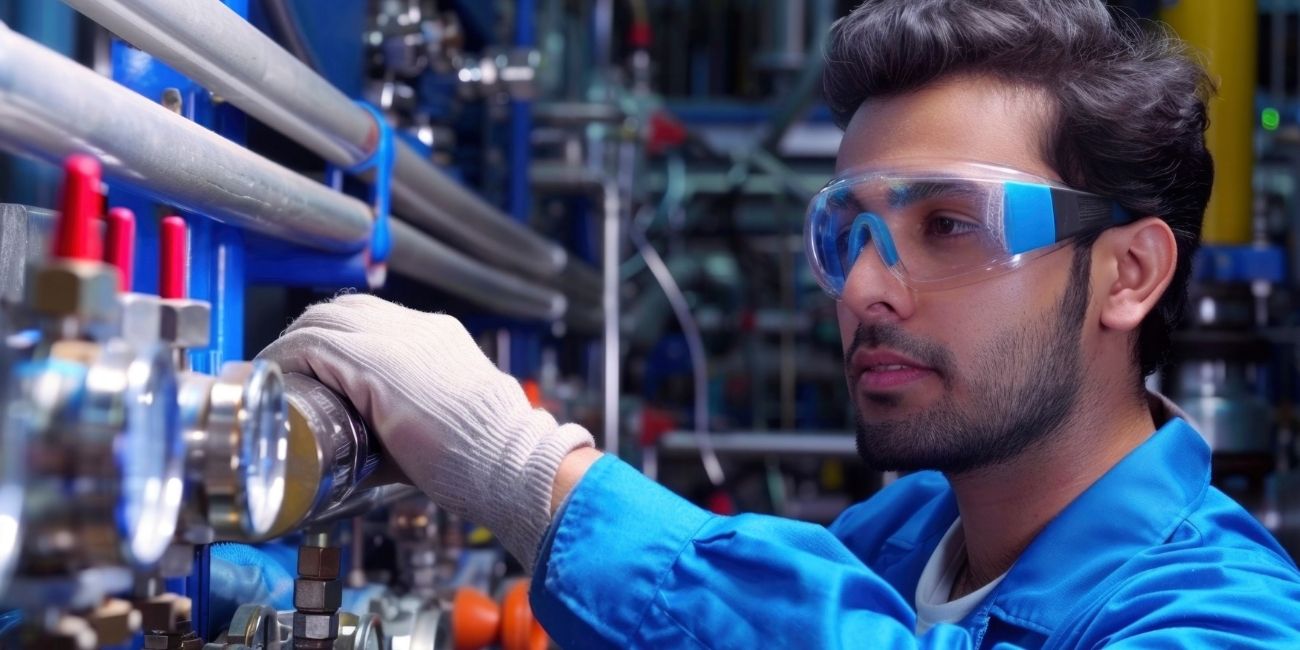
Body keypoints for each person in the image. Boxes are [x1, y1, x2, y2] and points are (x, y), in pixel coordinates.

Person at [259, 0, 1300, 646]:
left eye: (948, 223)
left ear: (1127, 272)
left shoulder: (1228, 611)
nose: (864, 289)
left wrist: (531, 470)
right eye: (849, 228)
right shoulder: (894, 539)